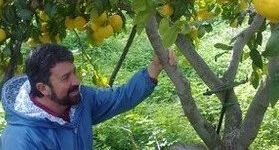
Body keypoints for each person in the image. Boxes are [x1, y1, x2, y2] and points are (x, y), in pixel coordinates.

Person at [0, 43, 176, 149]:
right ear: (43, 88)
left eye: (73, 72)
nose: (76, 81)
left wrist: (154, 67)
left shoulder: (80, 100)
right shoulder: (21, 139)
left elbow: (120, 98)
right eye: (65, 77)